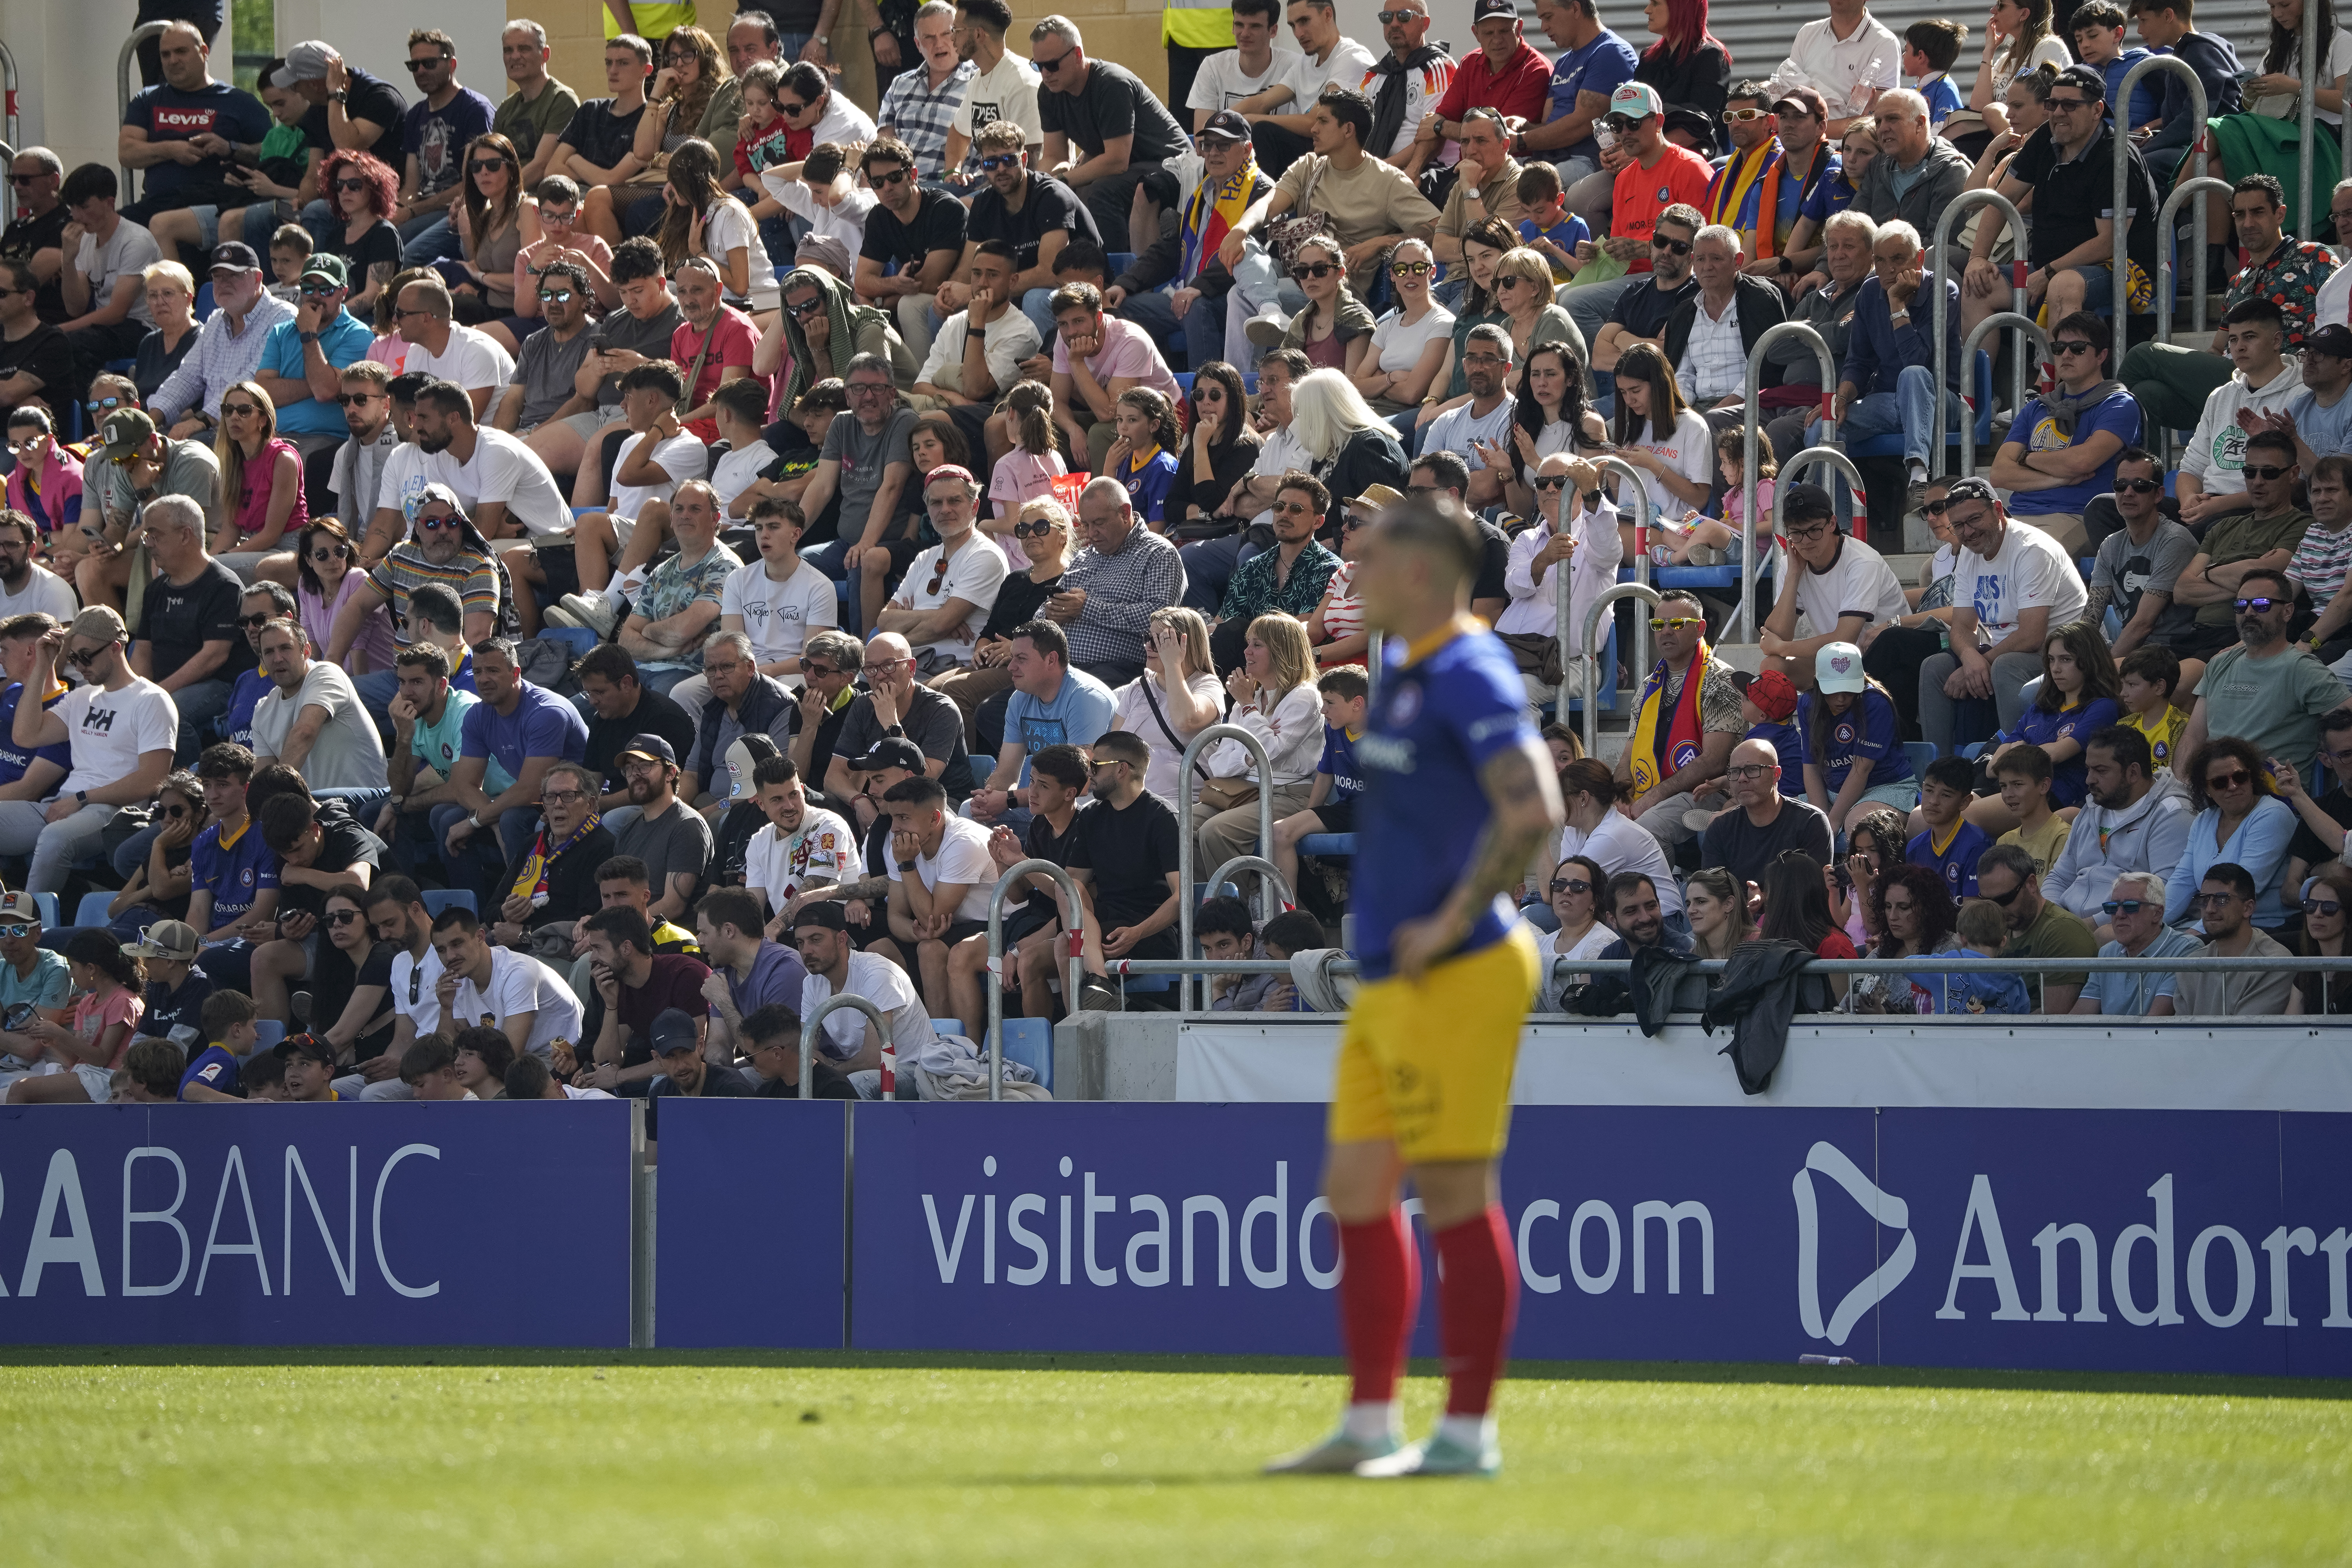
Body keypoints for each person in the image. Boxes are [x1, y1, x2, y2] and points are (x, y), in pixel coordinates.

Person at [1261, 489, 1558, 1479]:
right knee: (1353, 1191)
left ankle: (1467, 1435)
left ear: (1422, 573)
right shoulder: (1394, 666)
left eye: (1373, 556)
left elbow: (1533, 807)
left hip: (1459, 968)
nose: (1353, 572)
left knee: (1456, 1196)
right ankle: (1371, 1422)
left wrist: (1455, 915)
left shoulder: (1471, 669)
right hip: (1386, 975)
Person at [1221, 83, 1441, 311]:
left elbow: (1437, 227)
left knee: (1240, 297)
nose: (1313, 129)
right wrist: (1241, 229)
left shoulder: (1389, 181)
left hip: (1337, 290)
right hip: (1293, 270)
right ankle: (1270, 308)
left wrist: (1381, 243)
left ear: (1348, 130)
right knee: (1244, 248)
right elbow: (1269, 204)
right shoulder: (1309, 166)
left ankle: (1269, 306)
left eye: (1323, 122)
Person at [1916, 477, 2088, 754]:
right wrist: (1971, 659)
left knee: (2005, 666)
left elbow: (2033, 635)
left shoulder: (2032, 550)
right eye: (1958, 526)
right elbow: (1961, 628)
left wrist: (1982, 661)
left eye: (1974, 519)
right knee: (1935, 668)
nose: (1968, 532)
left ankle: (2017, 764)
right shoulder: (1970, 555)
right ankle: (1940, 770)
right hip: (2005, 651)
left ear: (1997, 510)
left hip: (2064, 651)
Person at [1560, 83, 1714, 347]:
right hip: (1635, 279)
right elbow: (1622, 244)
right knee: (1552, 297)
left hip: (1676, 278)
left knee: (1573, 302)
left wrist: (1644, 249)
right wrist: (1600, 252)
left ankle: (1620, 371)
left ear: (1659, 122)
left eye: (1633, 122)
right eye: (1617, 126)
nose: (1625, 133)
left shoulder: (1689, 168)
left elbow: (1704, 244)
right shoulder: (1624, 179)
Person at [1617, 588, 1739, 849]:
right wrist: (1619, 797)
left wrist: (1650, 799)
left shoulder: (1721, 682)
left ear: (1700, 628)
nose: (1666, 631)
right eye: (1659, 624)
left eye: (1677, 624)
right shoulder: (1647, 688)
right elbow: (1628, 756)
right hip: (1652, 793)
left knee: (1643, 831)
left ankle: (1661, 891)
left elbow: (1713, 762)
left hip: (1709, 793)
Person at [1759, 483, 1911, 681]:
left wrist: (1783, 647)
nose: (1805, 542)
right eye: (1796, 533)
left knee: (1781, 657)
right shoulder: (1791, 564)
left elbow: (1845, 639)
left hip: (1883, 662)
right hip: (1837, 658)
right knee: (1772, 667)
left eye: (1814, 530)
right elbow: (1777, 633)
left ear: (1832, 523)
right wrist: (1793, 577)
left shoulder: (1863, 561)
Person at [2042, 726, 2193, 924]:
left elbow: (2162, 893)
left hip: (2120, 930)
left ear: (2133, 772)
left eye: (2101, 771)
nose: (2089, 780)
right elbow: (2059, 878)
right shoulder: (2093, 807)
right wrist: (2052, 920)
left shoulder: (2171, 813)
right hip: (2070, 924)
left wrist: (2089, 927)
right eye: (2088, 769)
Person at [2165, 735, 2298, 932]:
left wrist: (2190, 937)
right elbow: (2181, 882)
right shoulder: (2204, 820)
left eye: (2240, 777)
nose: (2233, 786)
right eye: (2220, 782)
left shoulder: (2273, 815)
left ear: (2252, 777)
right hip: (2210, 925)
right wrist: (2150, 924)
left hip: (2262, 928)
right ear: (2206, 789)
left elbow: (2241, 891)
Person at [430, 904, 584, 1065]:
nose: (450, 957)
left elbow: (509, 1056)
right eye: (441, 950)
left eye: (457, 944)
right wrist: (446, 1008)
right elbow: (447, 1055)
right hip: (515, 1059)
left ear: (480, 937)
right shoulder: (457, 977)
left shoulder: (518, 974)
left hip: (559, 1058)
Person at [2087, 447, 2198, 658]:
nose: (2128, 493)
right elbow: (2091, 619)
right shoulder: (2111, 545)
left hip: (2171, 651)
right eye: (2121, 485)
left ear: (2159, 495)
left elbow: (2143, 625)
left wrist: (2102, 671)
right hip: (2134, 652)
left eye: (2140, 486)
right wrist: (2076, 656)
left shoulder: (2174, 541)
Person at [1548, 755, 1684, 925]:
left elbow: (1564, 894)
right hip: (1623, 915)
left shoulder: (1611, 835)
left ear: (1584, 798)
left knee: (1541, 919)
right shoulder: (1573, 830)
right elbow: (1561, 887)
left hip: (1661, 922)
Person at [1969, 840, 2095, 1012]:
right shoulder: (1997, 929)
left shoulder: (2062, 932)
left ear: (2031, 884)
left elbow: (2052, 1017)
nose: (1997, 911)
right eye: (1988, 903)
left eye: (2004, 900)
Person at [604, 734, 716, 923]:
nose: (635, 774)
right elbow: (615, 893)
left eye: (644, 765)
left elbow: (673, 907)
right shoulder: (628, 830)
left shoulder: (688, 826)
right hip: (626, 932)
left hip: (663, 940)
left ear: (671, 774)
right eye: (629, 768)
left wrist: (615, 926)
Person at [1699, 735, 1834, 889]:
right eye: (1735, 772)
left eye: (1753, 770)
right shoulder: (1720, 829)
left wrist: (1763, 901)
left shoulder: (1811, 822)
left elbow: (1815, 894)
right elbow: (1715, 895)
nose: (1742, 779)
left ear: (1776, 775)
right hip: (1738, 913)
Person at [1851, 89, 1971, 252]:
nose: (1882, 129)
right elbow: (1852, 226)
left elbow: (1942, 247)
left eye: (1893, 119)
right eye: (1878, 121)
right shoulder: (1879, 165)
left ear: (1920, 123)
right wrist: (1822, 271)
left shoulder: (1952, 171)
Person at [2171, 862, 2296, 1014]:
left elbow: (2242, 1035)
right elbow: (2179, 1034)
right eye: (2204, 900)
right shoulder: (2191, 966)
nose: (2209, 909)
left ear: (2248, 908)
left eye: (2222, 899)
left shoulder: (2274, 964)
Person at [2072, 870, 2197, 1014]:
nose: (2119, 915)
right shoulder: (2107, 952)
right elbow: (2079, 1019)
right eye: (2112, 907)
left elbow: (2154, 1024)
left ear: (2157, 913)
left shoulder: (2186, 950)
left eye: (2130, 906)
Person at [1910, 752, 1992, 898]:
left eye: (1946, 795)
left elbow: (1973, 912)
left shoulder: (1977, 846)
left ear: (1965, 802)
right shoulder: (1914, 848)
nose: (1933, 801)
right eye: (1929, 791)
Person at [2288, 864, 2352, 1016]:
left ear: (2349, 917)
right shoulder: (2307, 972)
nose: (2317, 914)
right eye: (2310, 906)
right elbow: (2290, 1029)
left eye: (2329, 908)